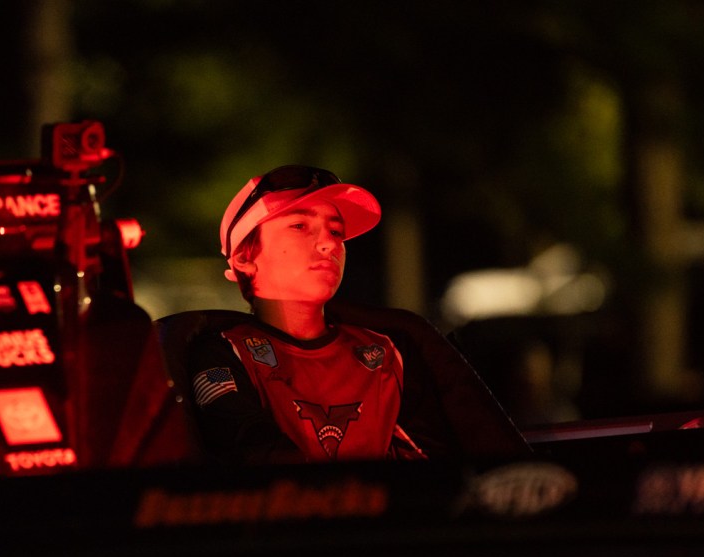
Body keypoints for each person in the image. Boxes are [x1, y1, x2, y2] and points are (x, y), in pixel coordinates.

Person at [184, 164, 530, 464]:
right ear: (244, 256)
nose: (329, 243)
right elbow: (252, 456)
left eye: (336, 231)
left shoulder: (390, 351)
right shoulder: (222, 353)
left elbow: (439, 469)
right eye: (300, 226)